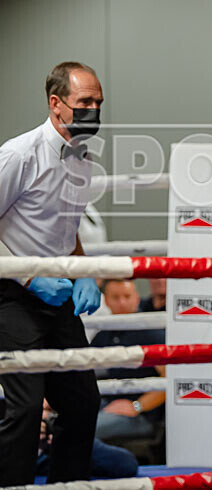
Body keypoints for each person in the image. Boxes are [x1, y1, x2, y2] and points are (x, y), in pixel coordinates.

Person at [0, 61, 104, 485]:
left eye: (99, 102)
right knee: (25, 407)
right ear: (56, 104)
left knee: (82, 401)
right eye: (85, 102)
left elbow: (66, 227)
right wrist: (26, 277)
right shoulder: (18, 154)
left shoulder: (83, 159)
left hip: (57, 294)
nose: (94, 109)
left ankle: (67, 486)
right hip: (11, 294)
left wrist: (83, 272)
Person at [91, 279, 166, 441]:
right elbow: (82, 371)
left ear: (137, 298)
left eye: (127, 296)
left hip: (142, 415)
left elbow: (169, 381)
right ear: (106, 301)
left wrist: (137, 406)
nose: (122, 302)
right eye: (116, 297)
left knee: (83, 430)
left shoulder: (150, 332)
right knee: (61, 422)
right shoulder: (104, 334)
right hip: (108, 403)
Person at [36, 399, 138, 479]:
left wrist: (65, 442)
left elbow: (127, 464)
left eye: (48, 411)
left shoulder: (63, 442)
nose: (43, 416)